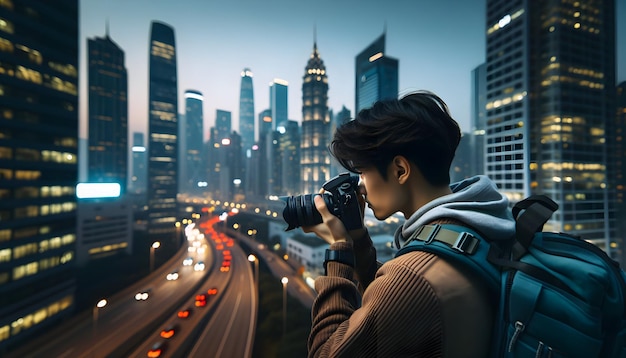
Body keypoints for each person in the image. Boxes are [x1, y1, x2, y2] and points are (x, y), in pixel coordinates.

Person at [303, 91, 516, 357]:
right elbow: (394, 311)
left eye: (363, 172)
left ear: (400, 170)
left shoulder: (412, 276)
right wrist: (356, 239)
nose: (361, 187)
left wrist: (339, 252)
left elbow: (325, 352)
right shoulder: (475, 226)